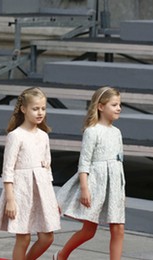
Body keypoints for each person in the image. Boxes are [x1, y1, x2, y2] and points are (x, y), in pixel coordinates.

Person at [55, 86, 125, 260]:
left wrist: (121, 190)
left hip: (115, 185)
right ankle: (62, 255)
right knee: (89, 231)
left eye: (119, 104)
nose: (119, 108)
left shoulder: (117, 132)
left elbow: (119, 163)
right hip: (95, 184)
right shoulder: (92, 132)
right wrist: (85, 189)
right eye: (114, 104)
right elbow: (84, 162)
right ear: (101, 107)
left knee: (118, 229)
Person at [0, 87, 61, 259]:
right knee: (23, 238)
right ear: (24, 109)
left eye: (43, 108)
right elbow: (7, 170)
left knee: (47, 237)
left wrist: (52, 199)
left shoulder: (44, 136)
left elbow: (48, 169)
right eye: (35, 108)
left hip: (42, 191)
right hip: (21, 191)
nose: (40, 112)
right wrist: (10, 200)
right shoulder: (16, 136)